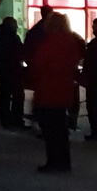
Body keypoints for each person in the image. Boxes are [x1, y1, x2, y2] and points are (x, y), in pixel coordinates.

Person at [26, 13, 84, 172]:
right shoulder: (70, 41)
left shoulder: (50, 43)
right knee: (60, 128)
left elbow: (38, 64)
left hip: (48, 90)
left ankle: (54, 162)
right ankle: (64, 161)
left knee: (51, 130)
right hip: (64, 89)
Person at [0, 15, 25, 129]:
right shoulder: (13, 38)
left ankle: (5, 119)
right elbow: (20, 52)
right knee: (17, 96)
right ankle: (17, 119)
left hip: (3, 71)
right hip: (14, 71)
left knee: (5, 96)